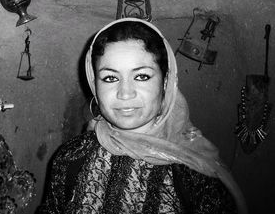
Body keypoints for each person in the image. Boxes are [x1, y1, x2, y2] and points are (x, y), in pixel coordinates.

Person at [37, 18, 248, 214]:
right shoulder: (71, 157)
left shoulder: (196, 173)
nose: (125, 93)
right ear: (94, 84)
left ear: (165, 82)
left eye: (141, 76)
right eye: (110, 78)